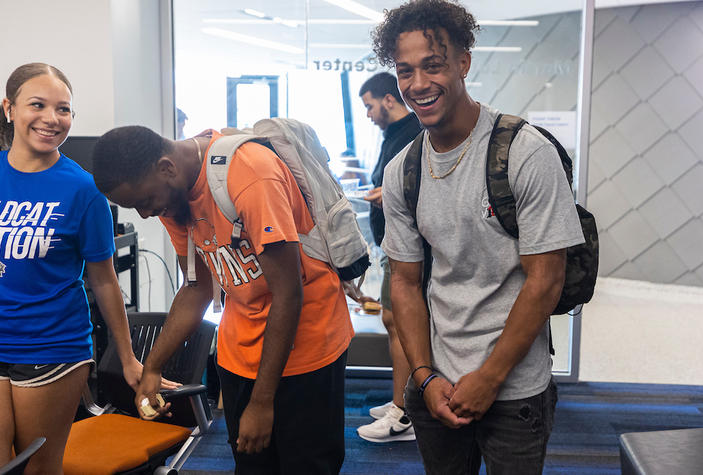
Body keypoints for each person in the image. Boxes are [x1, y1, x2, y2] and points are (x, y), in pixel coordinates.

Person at [373, 1, 585, 473]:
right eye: (405, 72)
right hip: (436, 381)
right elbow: (405, 283)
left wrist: (488, 378)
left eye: (433, 65)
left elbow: (546, 281)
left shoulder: (525, 153)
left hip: (514, 388)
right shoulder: (402, 170)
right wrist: (425, 378)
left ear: (463, 62)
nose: (419, 85)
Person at [91, 124, 354, 475]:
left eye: (143, 202)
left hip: (306, 349)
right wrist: (152, 366)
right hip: (239, 352)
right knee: (252, 464)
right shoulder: (174, 199)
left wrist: (261, 403)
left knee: (304, 466)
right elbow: (197, 286)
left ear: (167, 168)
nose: (144, 214)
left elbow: (289, 293)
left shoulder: (250, 174)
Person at [0, 63, 155, 474]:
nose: (52, 119)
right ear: (9, 109)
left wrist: (127, 357)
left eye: (64, 109)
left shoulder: (83, 189)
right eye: (38, 105)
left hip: (51, 345)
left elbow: (103, 280)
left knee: (37, 467)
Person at [356, 72, 422, 443]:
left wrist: (388, 195)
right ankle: (404, 400)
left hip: (407, 248)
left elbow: (420, 190)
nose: (368, 114)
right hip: (394, 246)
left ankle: (405, 413)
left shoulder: (414, 134)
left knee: (399, 322)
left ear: (388, 99)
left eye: (370, 105)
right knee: (393, 321)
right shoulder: (393, 136)